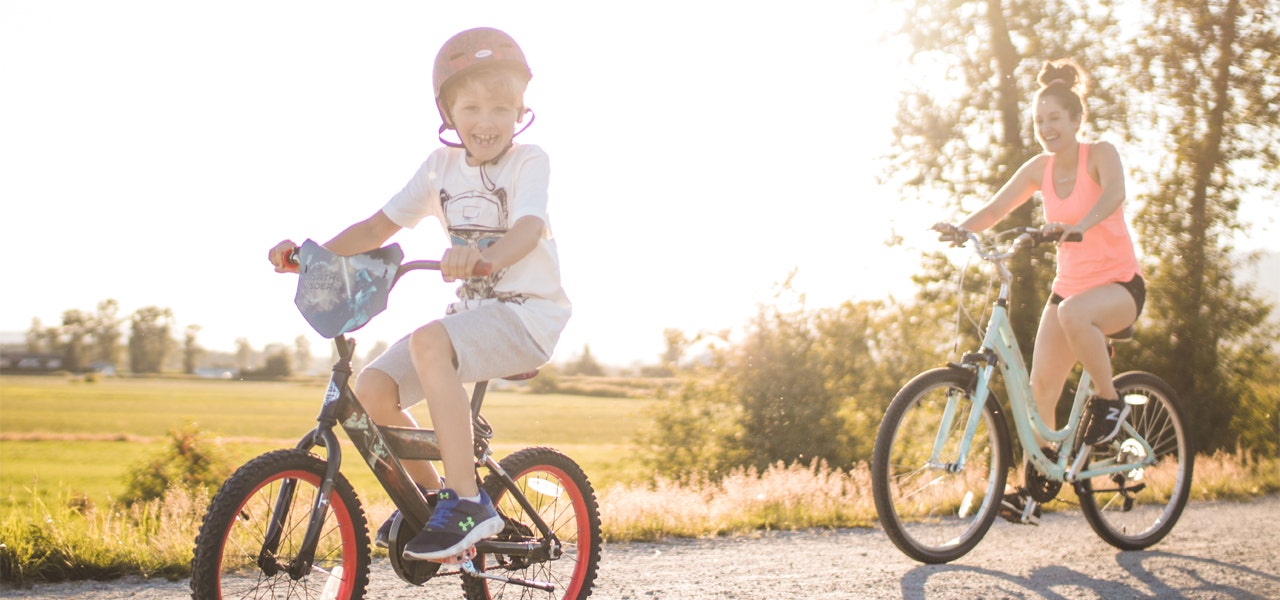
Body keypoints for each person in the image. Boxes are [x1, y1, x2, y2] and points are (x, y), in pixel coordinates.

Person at [267, 27, 570, 561]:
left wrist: (486, 257)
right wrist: (311, 258)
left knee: (431, 340)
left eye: (501, 108)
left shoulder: (530, 161)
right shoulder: (439, 169)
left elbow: (526, 228)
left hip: (528, 319)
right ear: (449, 114)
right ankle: (434, 501)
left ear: (521, 111)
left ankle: (469, 502)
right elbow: (374, 230)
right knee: (373, 387)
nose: (485, 121)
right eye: (471, 107)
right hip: (472, 318)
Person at [935, 59, 1145, 517]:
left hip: (1119, 288)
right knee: (1039, 390)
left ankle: (1110, 406)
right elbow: (995, 209)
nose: (1046, 128)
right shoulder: (1039, 168)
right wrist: (960, 229)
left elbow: (1114, 194)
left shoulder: (1101, 153)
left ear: (1075, 120)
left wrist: (1079, 226)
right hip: (1069, 289)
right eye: (1039, 121)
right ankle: (1036, 490)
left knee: (1074, 315)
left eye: (1055, 119)